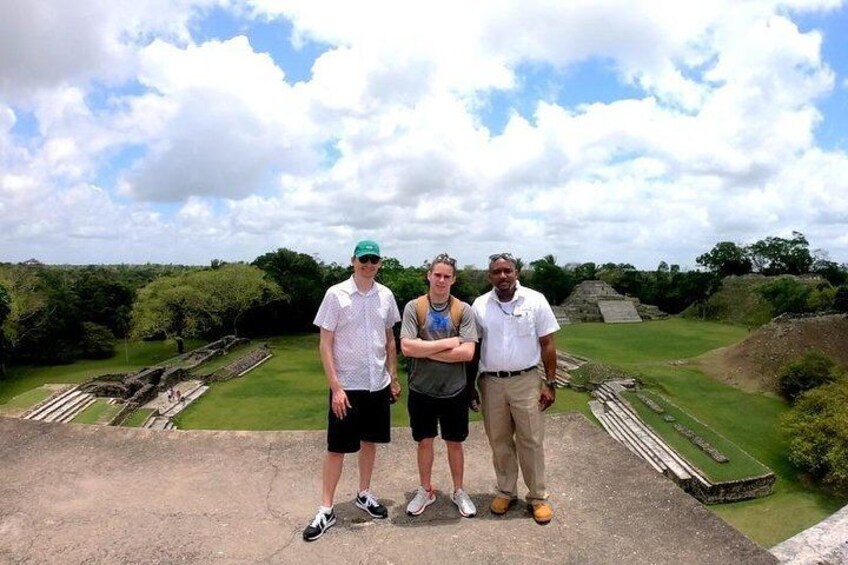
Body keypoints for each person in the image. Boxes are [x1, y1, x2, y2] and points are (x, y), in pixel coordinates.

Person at [302, 240, 402, 542]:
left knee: (370, 442)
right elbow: (325, 343)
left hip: (377, 384)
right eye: (364, 259)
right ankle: (326, 508)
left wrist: (393, 378)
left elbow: (389, 340)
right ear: (353, 261)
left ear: (380, 263)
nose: (368, 264)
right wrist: (335, 387)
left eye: (374, 259)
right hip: (347, 385)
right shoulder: (336, 294)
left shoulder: (385, 295)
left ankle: (363, 493)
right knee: (337, 449)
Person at [470, 252, 560, 525]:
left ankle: (538, 497)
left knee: (530, 440)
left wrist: (551, 382)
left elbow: (547, 343)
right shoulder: (480, 305)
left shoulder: (535, 300)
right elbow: (474, 348)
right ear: (490, 277)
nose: (503, 276)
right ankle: (507, 491)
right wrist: (470, 384)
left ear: (516, 272)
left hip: (526, 380)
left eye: (507, 271)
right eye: (497, 272)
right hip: (491, 381)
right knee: (499, 440)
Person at [400, 253, 478, 518]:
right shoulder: (415, 307)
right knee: (424, 441)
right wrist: (448, 343)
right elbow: (407, 347)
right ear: (429, 275)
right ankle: (425, 490)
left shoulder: (462, 310)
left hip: (454, 389)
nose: (441, 280)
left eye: (447, 276)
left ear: (453, 279)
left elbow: (467, 353)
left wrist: (425, 350)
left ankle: (459, 490)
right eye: (437, 275)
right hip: (422, 388)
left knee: (454, 442)